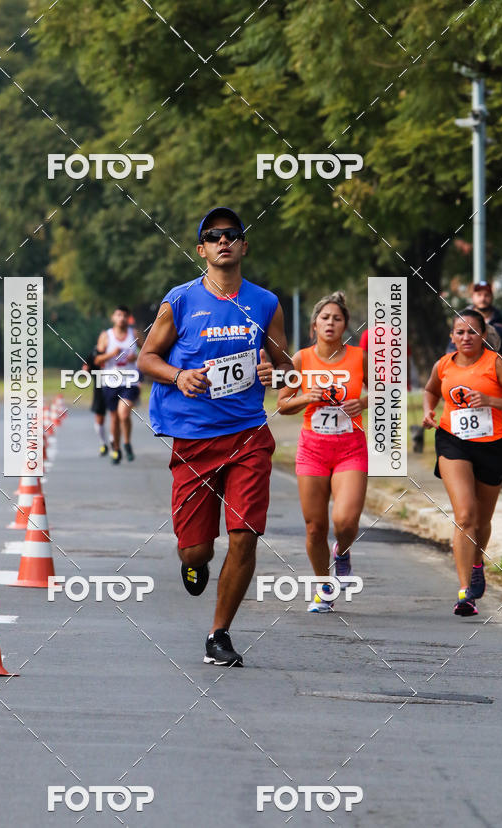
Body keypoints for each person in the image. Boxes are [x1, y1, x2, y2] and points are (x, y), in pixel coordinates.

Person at [138, 206, 292, 667]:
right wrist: (178, 375)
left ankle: (219, 633)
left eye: (232, 234)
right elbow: (147, 357)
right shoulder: (180, 301)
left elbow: (287, 369)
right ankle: (194, 561)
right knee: (197, 548)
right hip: (194, 440)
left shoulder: (265, 303)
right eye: (213, 235)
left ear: (244, 246)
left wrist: (273, 370)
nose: (223, 241)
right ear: (201, 249)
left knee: (244, 537)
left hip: (248, 434)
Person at [278, 292, 368, 612]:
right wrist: (306, 397)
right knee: (315, 526)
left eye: (337, 318)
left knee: (345, 521)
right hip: (313, 448)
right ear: (314, 324)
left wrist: (366, 401)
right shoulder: (301, 359)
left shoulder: (359, 357)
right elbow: (283, 404)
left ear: (345, 326)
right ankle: (324, 587)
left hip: (350, 448)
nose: (331, 323)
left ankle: (341, 552)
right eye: (325, 318)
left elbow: (387, 391)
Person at [423, 309, 502, 616]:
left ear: (483, 335)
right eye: (460, 332)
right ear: (451, 337)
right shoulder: (443, 364)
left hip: (492, 444)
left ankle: (476, 562)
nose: (466, 337)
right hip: (452, 441)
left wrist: (491, 401)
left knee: (481, 522)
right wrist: (428, 411)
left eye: (472, 331)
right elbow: (431, 390)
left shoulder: (495, 363)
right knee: (466, 515)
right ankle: (464, 592)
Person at [95, 307, 142, 464]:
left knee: (124, 413)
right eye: (118, 315)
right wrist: (111, 354)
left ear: (128, 318)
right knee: (114, 419)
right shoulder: (106, 336)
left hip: (130, 381)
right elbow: (97, 360)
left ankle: (127, 443)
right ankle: (116, 449)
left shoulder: (134, 335)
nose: (121, 318)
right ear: (113, 317)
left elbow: (150, 351)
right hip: (110, 382)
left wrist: (136, 357)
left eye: (124, 315)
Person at [446, 281, 502, 355]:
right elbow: (451, 350)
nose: (483, 298)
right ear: (473, 297)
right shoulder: (460, 319)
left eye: (486, 295)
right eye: (479, 295)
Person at [83, 331, 109, 456]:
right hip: (99, 388)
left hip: (115, 387)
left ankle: (115, 441)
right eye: (104, 338)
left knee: (118, 415)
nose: (106, 341)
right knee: (99, 418)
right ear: (99, 340)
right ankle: (103, 443)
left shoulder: (115, 351)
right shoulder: (93, 354)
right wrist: (86, 370)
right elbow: (86, 367)